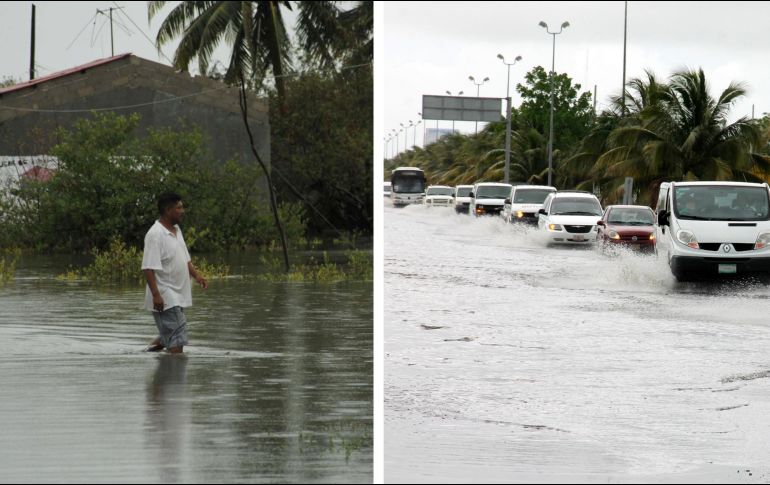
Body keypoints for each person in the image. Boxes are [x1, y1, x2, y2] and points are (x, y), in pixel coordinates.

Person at [142, 193, 208, 353]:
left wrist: (197, 275)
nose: (182, 211)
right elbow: (148, 268)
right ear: (167, 210)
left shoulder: (176, 230)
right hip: (165, 296)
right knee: (178, 337)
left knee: (171, 334)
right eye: (179, 207)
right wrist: (156, 295)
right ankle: (175, 377)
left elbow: (185, 259)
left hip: (178, 296)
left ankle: (146, 355)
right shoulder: (155, 234)